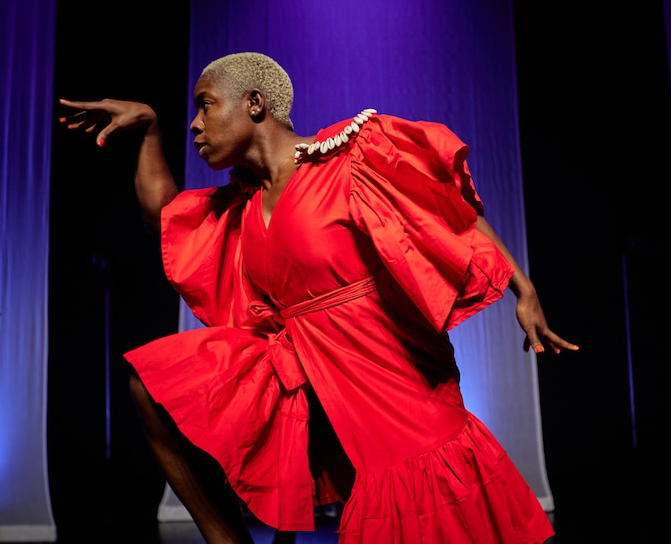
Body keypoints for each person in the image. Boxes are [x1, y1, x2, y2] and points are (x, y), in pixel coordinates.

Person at [59, 51, 578, 544]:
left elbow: (447, 214)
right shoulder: (242, 205)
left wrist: (524, 289)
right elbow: (164, 216)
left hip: (393, 382)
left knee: (428, 505)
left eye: (206, 104)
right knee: (151, 385)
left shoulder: (347, 161)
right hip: (306, 374)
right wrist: (149, 128)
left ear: (255, 104)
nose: (195, 124)